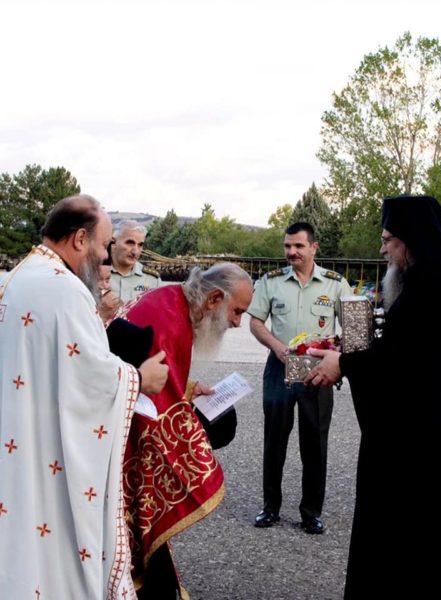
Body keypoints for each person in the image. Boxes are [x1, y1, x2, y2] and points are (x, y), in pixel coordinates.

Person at [305, 195, 441, 599]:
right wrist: (350, 358)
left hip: (426, 462)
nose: (383, 250)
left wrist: (345, 363)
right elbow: (409, 359)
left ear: (411, 240)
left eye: (388, 239)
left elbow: (403, 369)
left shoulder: (433, 288)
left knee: (411, 562)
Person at [0, 194, 169, 599]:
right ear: (79, 239)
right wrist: (139, 379)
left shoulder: (20, 275)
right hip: (48, 447)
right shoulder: (66, 289)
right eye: (104, 245)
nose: (106, 255)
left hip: (23, 434)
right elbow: (90, 377)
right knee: (58, 547)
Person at [116, 262, 253, 598]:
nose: (237, 323)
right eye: (237, 312)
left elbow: (156, 382)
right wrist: (199, 452)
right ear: (214, 299)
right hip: (123, 448)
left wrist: (188, 389)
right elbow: (154, 407)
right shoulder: (169, 320)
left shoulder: (172, 301)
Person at [248, 222, 352, 534]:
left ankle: (311, 513)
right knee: (274, 441)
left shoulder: (335, 284)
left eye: (298, 246)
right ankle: (270, 508)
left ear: (314, 248)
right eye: (287, 246)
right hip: (280, 367)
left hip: (317, 372)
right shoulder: (271, 282)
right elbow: (256, 322)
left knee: (315, 444)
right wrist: (277, 347)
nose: (291, 252)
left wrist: (337, 357)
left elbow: (353, 329)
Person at [110, 219, 162, 302]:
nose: (135, 251)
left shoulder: (152, 279)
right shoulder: (96, 274)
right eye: (130, 243)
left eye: (140, 245)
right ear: (113, 242)